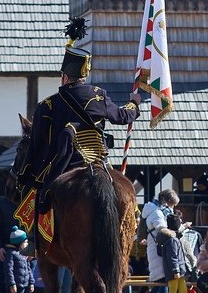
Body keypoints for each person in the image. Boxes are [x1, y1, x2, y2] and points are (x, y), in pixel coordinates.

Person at [18, 17, 140, 215]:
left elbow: (36, 146)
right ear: (84, 76)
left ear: (64, 76)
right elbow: (123, 116)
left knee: (40, 207)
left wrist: (27, 177)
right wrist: (134, 102)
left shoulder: (47, 105)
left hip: (64, 165)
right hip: (99, 160)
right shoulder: (99, 95)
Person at [141, 189, 182, 293]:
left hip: (157, 247)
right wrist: (179, 230)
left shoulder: (154, 210)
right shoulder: (157, 213)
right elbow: (162, 230)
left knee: (161, 280)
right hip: (158, 248)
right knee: (162, 280)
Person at [158, 213, 193, 293]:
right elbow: (173, 257)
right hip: (175, 272)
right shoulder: (172, 240)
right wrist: (175, 270)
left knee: (183, 292)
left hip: (181, 271)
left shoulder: (173, 238)